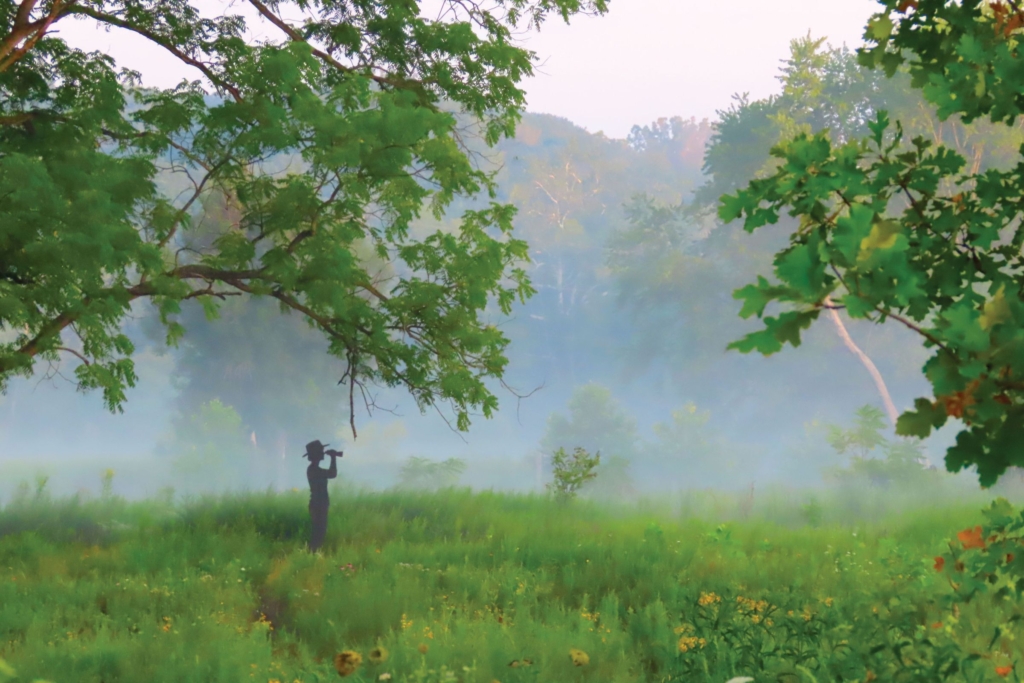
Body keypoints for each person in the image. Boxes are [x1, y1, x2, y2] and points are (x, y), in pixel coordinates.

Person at [303, 440, 341, 552]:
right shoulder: (313, 470)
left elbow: (331, 474)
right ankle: (312, 553)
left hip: (319, 504)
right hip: (318, 504)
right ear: (316, 454)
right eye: (320, 451)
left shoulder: (313, 469)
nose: (323, 453)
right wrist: (333, 457)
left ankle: (313, 553)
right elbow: (332, 474)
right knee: (318, 531)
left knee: (319, 531)